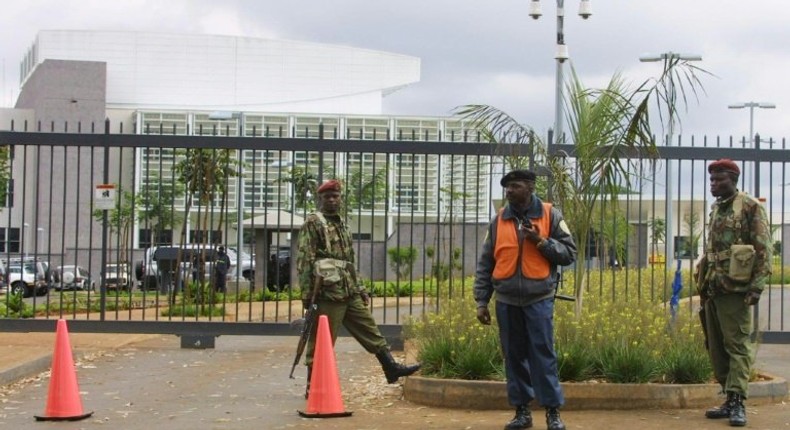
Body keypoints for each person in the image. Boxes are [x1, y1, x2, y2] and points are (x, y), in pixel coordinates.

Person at [297, 179, 421, 397]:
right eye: (328, 197)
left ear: (340, 198)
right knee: (322, 341)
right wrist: (307, 296)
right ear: (320, 199)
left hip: (349, 290)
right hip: (327, 293)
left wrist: (361, 287)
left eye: (336, 196)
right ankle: (313, 387)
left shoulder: (343, 224)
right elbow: (305, 260)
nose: (332, 200)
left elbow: (349, 261)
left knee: (370, 329)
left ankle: (391, 368)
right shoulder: (314, 223)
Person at [473, 169, 577, 430]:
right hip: (506, 301)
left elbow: (569, 253)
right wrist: (481, 301)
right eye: (507, 187)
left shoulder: (550, 214)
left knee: (543, 355)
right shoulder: (499, 220)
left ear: (530, 187)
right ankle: (522, 412)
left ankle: (553, 413)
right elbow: (486, 262)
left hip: (538, 299)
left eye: (515, 186)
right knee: (514, 356)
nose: (509, 191)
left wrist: (541, 241)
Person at [697, 159, 771, 427]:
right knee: (717, 347)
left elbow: (763, 250)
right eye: (712, 180)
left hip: (735, 290)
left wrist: (756, 286)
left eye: (720, 180)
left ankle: (739, 401)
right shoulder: (717, 209)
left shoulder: (750, 206)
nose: (714, 184)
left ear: (733, 180)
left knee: (738, 346)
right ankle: (728, 399)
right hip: (713, 287)